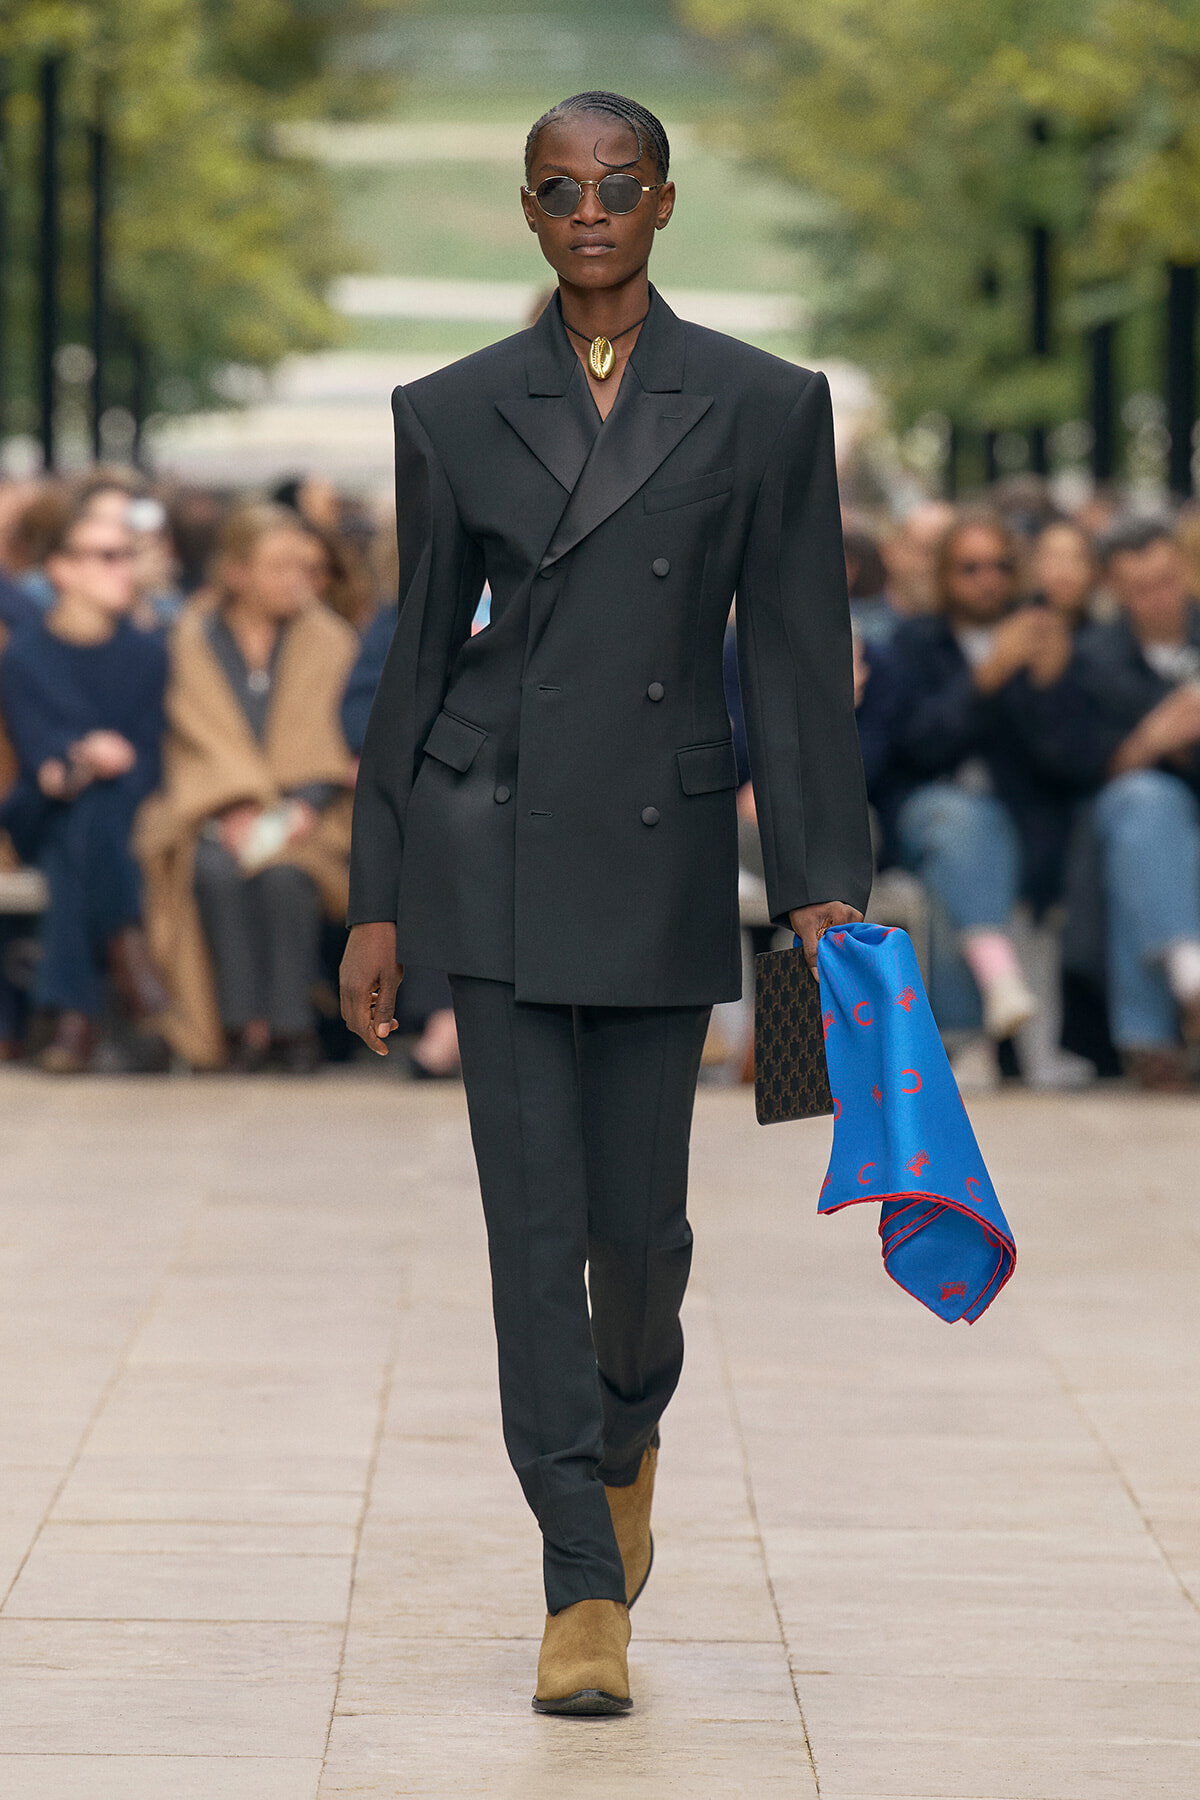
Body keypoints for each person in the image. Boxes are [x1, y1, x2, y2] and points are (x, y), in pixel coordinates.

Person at [340, 90, 871, 1715]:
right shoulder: (448, 408)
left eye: (618, 187)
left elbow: (793, 662)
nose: (590, 211)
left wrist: (822, 897)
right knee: (530, 1236)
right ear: (525, 209)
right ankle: (581, 1581)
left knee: (639, 1244)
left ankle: (629, 1431)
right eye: (561, 189)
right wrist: (378, 900)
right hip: (487, 842)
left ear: (660, 206)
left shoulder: (767, 407)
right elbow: (420, 662)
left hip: (658, 854)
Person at [137, 504, 357, 1071]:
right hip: (210, 807)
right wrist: (232, 804)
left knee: (287, 875)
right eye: (280, 567)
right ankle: (240, 1026)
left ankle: (292, 1027)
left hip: (317, 811)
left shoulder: (329, 639)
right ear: (236, 572)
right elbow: (191, 734)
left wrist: (300, 807)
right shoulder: (192, 637)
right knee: (210, 870)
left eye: (306, 568)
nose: (298, 581)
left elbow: (332, 739)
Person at [884, 509, 1095, 1084]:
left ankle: (967, 1040)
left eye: (1000, 566)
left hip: (1022, 822)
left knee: (959, 873)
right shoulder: (913, 642)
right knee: (958, 825)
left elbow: (1071, 761)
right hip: (929, 814)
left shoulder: (1048, 637)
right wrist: (985, 677)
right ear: (945, 574)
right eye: (969, 567)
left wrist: (1049, 686)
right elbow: (917, 747)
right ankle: (993, 1004)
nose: (986, 579)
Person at [0, 494, 168, 1072]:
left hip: (117, 811)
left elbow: (150, 760)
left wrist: (106, 762)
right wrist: (77, 758)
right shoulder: (25, 655)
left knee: (88, 825)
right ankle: (126, 949)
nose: (125, 568)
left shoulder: (147, 654)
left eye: (128, 555)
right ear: (62, 570)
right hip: (40, 812)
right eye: (106, 555)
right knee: (83, 810)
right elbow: (38, 750)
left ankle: (72, 1017)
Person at [1073, 519, 1200, 1089]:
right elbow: (1091, 770)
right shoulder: (1095, 655)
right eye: (1142, 587)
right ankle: (1189, 978)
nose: (1160, 598)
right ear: (1117, 592)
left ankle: (1150, 1037)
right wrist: (1157, 737)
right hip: (1123, 815)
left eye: (1168, 581)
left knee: (1146, 862)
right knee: (1145, 809)